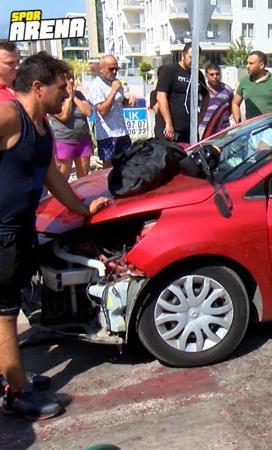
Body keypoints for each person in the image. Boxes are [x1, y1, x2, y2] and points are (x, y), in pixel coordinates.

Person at [0, 52, 110, 420]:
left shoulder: (42, 127)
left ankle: (9, 375)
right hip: (2, 233)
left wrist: (83, 210)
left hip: (20, 230)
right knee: (4, 315)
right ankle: (16, 393)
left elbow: (53, 178)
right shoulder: (9, 115)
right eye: (62, 88)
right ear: (37, 87)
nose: (67, 95)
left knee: (8, 309)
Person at [155, 42, 209, 143]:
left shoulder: (198, 74)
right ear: (182, 55)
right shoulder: (170, 70)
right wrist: (168, 122)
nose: (193, 61)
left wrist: (200, 117)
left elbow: (206, 96)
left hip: (189, 130)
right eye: (191, 57)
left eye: (197, 58)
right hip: (170, 129)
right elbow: (161, 96)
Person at [88, 54, 134, 167]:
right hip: (107, 134)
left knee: (127, 165)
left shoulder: (116, 82)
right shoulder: (96, 85)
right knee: (109, 169)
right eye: (111, 69)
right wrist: (113, 91)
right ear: (101, 69)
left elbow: (120, 102)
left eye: (116, 69)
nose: (114, 72)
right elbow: (102, 111)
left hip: (122, 131)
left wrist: (129, 100)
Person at [50, 72, 93, 178]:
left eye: (72, 78)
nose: (71, 81)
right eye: (68, 78)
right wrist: (68, 98)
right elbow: (63, 116)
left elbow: (88, 112)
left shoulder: (79, 94)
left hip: (83, 141)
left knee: (83, 177)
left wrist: (74, 97)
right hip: (64, 141)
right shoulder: (54, 96)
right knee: (63, 177)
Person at [232, 50, 272, 123]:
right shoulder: (244, 81)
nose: (247, 66)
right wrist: (238, 123)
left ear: (261, 65)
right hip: (252, 127)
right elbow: (235, 103)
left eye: (251, 63)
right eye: (247, 63)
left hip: (271, 127)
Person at [198, 63, 233, 137]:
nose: (215, 77)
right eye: (211, 74)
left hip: (223, 129)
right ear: (206, 75)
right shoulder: (201, 90)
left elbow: (231, 108)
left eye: (217, 74)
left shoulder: (227, 90)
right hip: (204, 129)